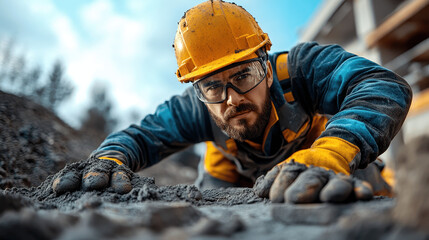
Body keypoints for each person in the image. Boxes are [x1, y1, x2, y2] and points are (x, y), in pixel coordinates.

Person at [52, 0, 412, 203]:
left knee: (364, 188)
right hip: (235, 180)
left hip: (330, 162)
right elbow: (140, 137)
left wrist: (331, 152)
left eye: (243, 76)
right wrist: (107, 159)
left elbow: (382, 86)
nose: (232, 99)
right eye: (213, 87)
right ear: (199, 91)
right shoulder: (194, 109)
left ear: (267, 69)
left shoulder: (301, 70)